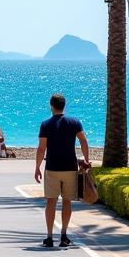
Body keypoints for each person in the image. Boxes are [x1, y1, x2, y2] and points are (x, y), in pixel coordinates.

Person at [34, 94, 90, 248]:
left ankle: (50, 237)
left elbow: (41, 149)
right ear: (64, 105)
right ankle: (64, 235)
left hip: (52, 168)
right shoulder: (74, 122)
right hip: (70, 168)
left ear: (51, 105)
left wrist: (37, 168)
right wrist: (86, 159)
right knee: (67, 201)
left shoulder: (45, 124)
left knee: (51, 202)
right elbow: (84, 140)